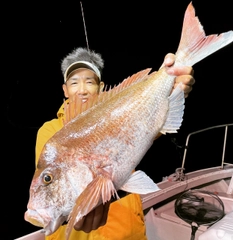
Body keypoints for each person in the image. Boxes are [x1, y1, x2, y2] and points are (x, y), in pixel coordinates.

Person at [35, 47, 195, 240]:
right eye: (74, 82)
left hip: (126, 232)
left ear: (101, 87)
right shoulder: (51, 131)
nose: (83, 89)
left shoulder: (120, 113)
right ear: (65, 89)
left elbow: (150, 131)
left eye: (90, 81)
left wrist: (172, 91)